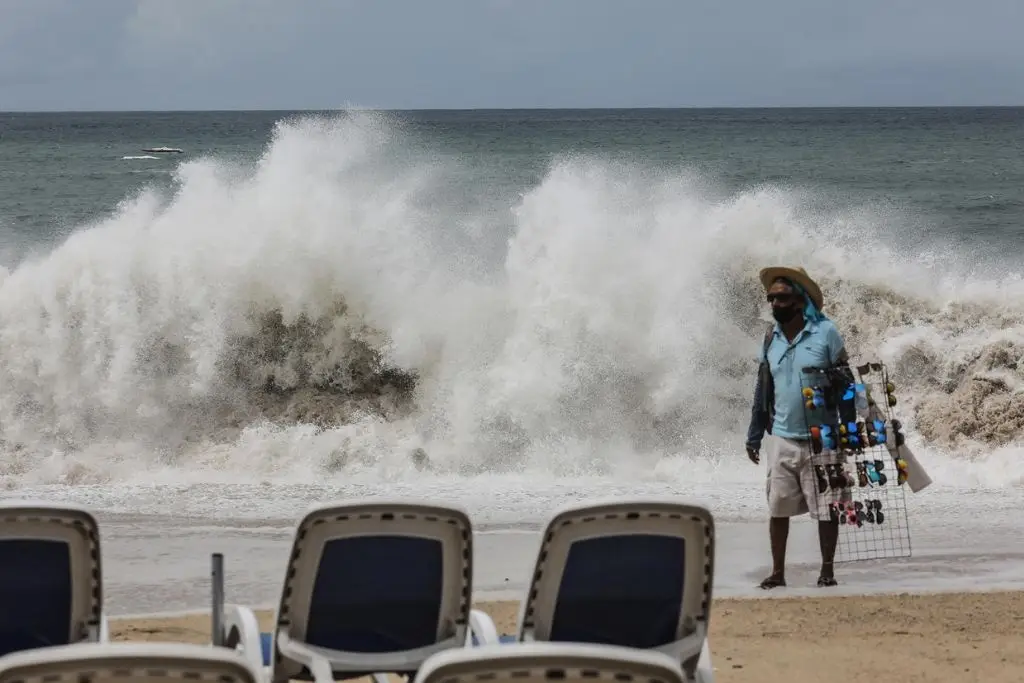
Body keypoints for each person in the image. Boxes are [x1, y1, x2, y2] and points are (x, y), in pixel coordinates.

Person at [745, 266, 852, 589]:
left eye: (783, 298)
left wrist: (848, 431)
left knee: (827, 508)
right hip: (781, 437)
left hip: (824, 438)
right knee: (777, 507)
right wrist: (754, 433)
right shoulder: (770, 339)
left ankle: (827, 571)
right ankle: (778, 572)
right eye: (772, 298)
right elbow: (763, 389)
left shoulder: (826, 333)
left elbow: (847, 384)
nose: (776, 304)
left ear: (800, 300)